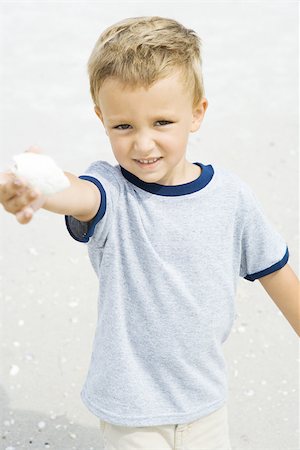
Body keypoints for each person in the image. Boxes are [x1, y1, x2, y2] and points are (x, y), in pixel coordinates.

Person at [0, 16, 299, 450]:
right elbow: (77, 192)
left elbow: (276, 272)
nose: (142, 144)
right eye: (123, 126)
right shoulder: (112, 192)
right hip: (131, 411)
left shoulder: (231, 198)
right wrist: (34, 185)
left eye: (162, 122)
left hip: (205, 401)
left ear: (196, 113)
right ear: (101, 118)